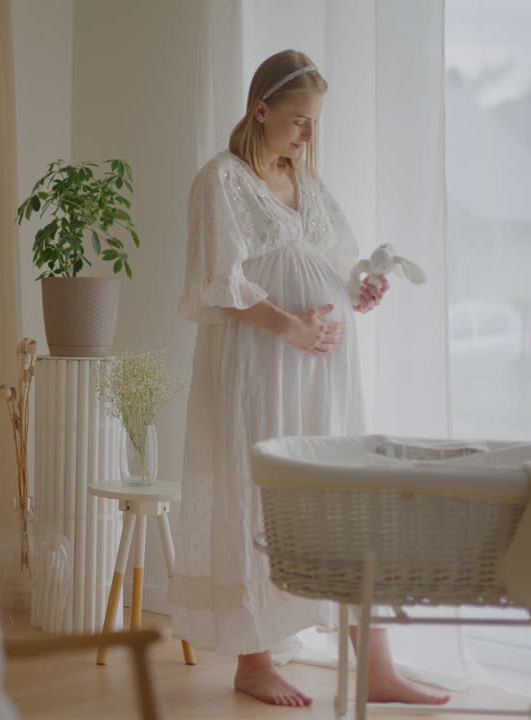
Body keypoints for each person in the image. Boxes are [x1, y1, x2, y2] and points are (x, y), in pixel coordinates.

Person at [170, 49, 451, 708]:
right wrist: (288, 325)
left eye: (316, 121)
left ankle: (376, 667)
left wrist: (360, 290)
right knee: (256, 493)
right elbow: (217, 280)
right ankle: (254, 662)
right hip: (259, 363)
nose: (309, 133)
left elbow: (335, 264)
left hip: (321, 369)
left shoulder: (307, 182)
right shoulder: (222, 180)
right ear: (260, 110)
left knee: (341, 497)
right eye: (299, 120)